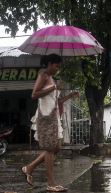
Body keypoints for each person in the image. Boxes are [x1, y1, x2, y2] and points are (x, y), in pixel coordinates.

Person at [21, 54, 79, 192]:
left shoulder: (51, 78)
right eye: (57, 66)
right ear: (50, 63)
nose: (58, 69)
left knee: (56, 148)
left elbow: (57, 101)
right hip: (45, 117)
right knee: (50, 149)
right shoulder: (44, 75)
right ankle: (51, 184)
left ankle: (29, 168)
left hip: (53, 117)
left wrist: (70, 95)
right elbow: (34, 94)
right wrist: (53, 88)